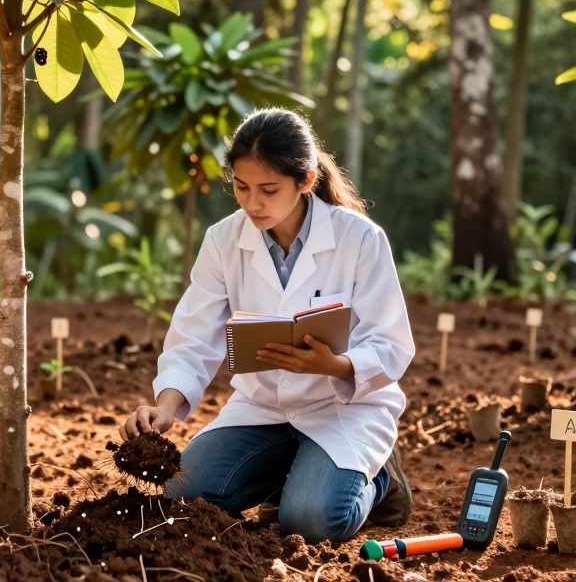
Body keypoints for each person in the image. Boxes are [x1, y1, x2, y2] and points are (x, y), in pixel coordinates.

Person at [121, 108, 416, 544]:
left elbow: (390, 343)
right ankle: (294, 472)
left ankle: (380, 479)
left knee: (311, 521)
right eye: (241, 186)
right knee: (183, 496)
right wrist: (165, 407)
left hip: (343, 409)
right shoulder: (223, 240)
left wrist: (334, 365)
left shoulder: (360, 239)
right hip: (262, 409)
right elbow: (194, 335)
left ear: (306, 181)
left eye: (268, 189)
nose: (252, 203)